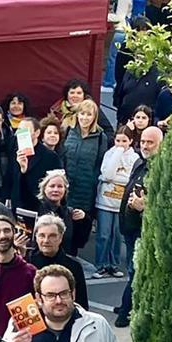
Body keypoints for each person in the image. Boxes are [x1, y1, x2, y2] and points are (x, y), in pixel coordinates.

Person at [115, 125, 162, 327]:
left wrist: (144, 207)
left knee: (136, 272)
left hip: (144, 231)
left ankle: (126, 311)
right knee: (132, 271)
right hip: (130, 228)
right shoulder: (140, 164)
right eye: (142, 141)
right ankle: (130, 304)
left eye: (150, 142)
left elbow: (166, 204)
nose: (145, 146)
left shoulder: (162, 169)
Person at [61, 98, 107, 251]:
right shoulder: (68, 131)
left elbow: (100, 165)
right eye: (82, 113)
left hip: (86, 191)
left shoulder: (101, 138)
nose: (85, 118)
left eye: (89, 114)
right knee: (63, 230)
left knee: (79, 235)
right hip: (66, 189)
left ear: (94, 117)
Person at [94, 125, 136, 277]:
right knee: (104, 234)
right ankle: (101, 265)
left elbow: (129, 179)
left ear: (130, 141)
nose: (120, 144)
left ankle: (114, 264)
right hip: (105, 200)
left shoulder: (134, 158)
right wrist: (117, 154)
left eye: (124, 141)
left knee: (117, 235)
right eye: (118, 140)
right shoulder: (109, 154)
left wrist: (113, 178)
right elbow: (107, 174)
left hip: (121, 203)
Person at [28, 213, 89, 310]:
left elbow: (81, 305)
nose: (46, 240)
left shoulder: (74, 266)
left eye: (52, 236)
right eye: (42, 236)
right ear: (36, 237)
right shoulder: (27, 262)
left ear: (60, 238)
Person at [37, 169, 81, 255]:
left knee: (91, 268)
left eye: (60, 186)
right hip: (39, 258)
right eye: (52, 186)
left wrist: (84, 220)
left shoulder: (70, 212)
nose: (56, 190)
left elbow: (78, 243)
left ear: (65, 190)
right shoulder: (35, 208)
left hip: (65, 258)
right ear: (44, 189)